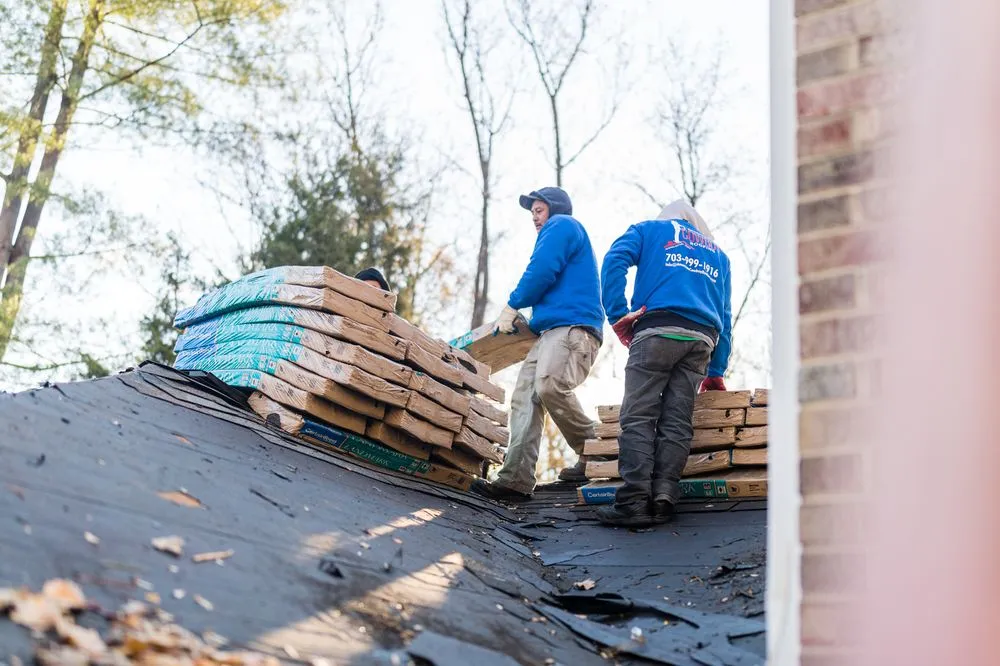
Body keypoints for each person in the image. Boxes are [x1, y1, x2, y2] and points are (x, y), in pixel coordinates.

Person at [596, 200, 732, 527]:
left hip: (657, 329)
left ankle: (633, 503)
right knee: (677, 417)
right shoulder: (718, 256)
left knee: (639, 414)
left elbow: (614, 259)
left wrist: (617, 314)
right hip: (701, 340)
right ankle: (665, 496)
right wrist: (716, 370)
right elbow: (725, 317)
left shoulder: (648, 230)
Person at [470, 186, 605, 501]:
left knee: (548, 385)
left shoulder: (563, 225)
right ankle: (514, 479)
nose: (534, 216)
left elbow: (542, 269)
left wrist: (514, 303)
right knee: (524, 399)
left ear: (555, 208)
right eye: (532, 212)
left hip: (572, 328)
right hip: (548, 332)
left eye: (538, 209)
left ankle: (602, 450)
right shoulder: (558, 231)